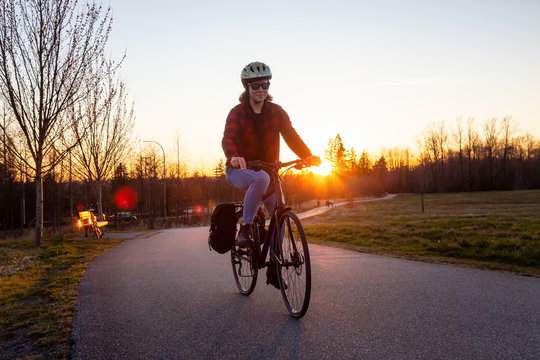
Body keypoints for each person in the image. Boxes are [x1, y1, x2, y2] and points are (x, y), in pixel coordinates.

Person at [222, 61, 320, 247]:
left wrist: (307, 155)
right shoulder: (237, 113)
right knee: (260, 179)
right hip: (240, 169)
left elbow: (292, 136)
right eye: (255, 85)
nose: (261, 89)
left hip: (269, 171)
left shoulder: (277, 112)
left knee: (279, 215)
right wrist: (233, 156)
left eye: (265, 84)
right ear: (247, 87)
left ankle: (274, 269)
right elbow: (228, 138)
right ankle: (245, 228)